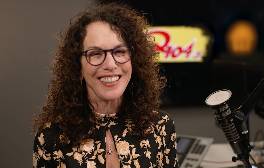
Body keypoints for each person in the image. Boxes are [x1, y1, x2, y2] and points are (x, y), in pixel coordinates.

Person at [33, 2, 178, 168]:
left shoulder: (161, 127)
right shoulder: (51, 136)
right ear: (77, 67)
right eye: (95, 54)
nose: (110, 64)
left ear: (134, 61)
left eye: (120, 51)